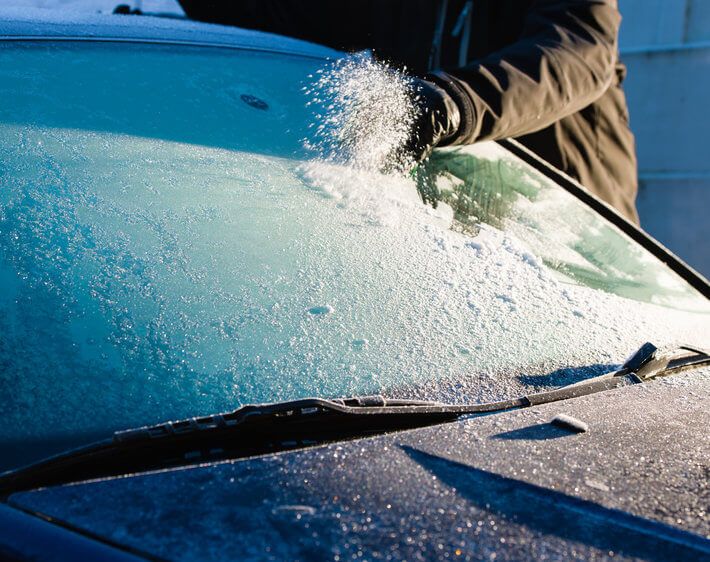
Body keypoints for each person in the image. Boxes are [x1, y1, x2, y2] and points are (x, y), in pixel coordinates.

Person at [178, 0, 639, 223]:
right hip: (460, 227)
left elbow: (580, 51)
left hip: (574, 221)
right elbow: (287, 18)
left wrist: (450, 102)